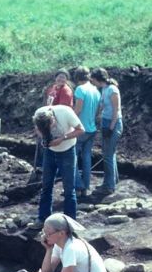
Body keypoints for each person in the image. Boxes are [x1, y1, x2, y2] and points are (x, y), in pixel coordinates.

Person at [28, 105, 84, 229]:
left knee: (69, 189)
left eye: (51, 127)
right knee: (46, 186)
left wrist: (62, 138)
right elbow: (37, 129)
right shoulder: (39, 114)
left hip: (67, 151)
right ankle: (43, 218)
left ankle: (70, 223)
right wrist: (43, 137)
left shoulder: (65, 112)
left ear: (53, 119)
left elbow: (81, 130)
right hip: (49, 152)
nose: (51, 130)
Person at [32, 69, 75, 180]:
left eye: (63, 77)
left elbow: (64, 110)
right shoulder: (52, 88)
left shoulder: (66, 92)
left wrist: (52, 122)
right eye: (59, 76)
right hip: (47, 120)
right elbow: (47, 103)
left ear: (67, 79)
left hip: (56, 122)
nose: (61, 79)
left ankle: (57, 172)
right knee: (46, 144)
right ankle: (45, 169)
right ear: (55, 77)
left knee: (55, 145)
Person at [90, 68, 122, 195]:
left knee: (108, 156)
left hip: (113, 123)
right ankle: (113, 180)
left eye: (93, 80)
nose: (92, 83)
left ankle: (109, 186)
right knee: (109, 153)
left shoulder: (113, 90)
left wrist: (111, 127)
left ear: (98, 79)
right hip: (106, 122)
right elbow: (103, 105)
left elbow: (116, 110)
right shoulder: (104, 89)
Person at [72, 66, 101, 198]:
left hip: (80, 129)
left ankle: (78, 186)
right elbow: (98, 110)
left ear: (77, 77)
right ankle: (86, 187)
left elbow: (77, 110)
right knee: (87, 157)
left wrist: (69, 124)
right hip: (92, 128)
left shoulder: (80, 89)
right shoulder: (96, 90)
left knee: (72, 157)